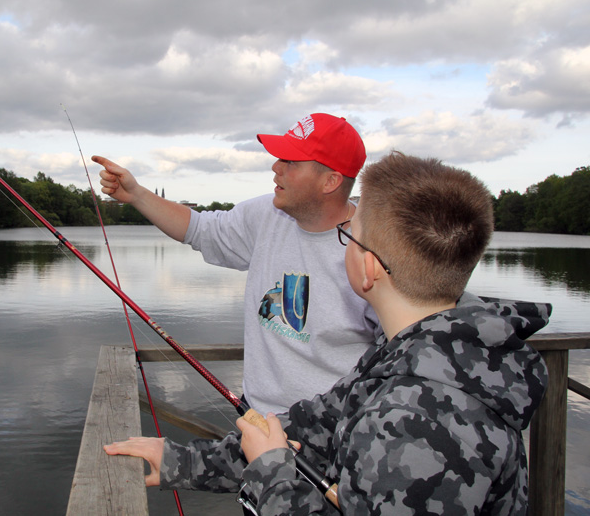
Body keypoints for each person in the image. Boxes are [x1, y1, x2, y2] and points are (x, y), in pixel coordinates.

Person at [104, 152, 550, 514]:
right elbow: (312, 428)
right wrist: (181, 461)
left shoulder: (415, 426)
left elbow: (290, 454)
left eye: (350, 237)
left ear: (367, 267)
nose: (343, 244)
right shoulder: (404, 361)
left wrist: (273, 469)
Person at [92, 113, 380, 414]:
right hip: (255, 418)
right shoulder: (266, 215)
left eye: (291, 161)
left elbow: (398, 355)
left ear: (330, 181)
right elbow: (200, 229)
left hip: (332, 436)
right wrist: (137, 195)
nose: (275, 166)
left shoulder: (376, 250)